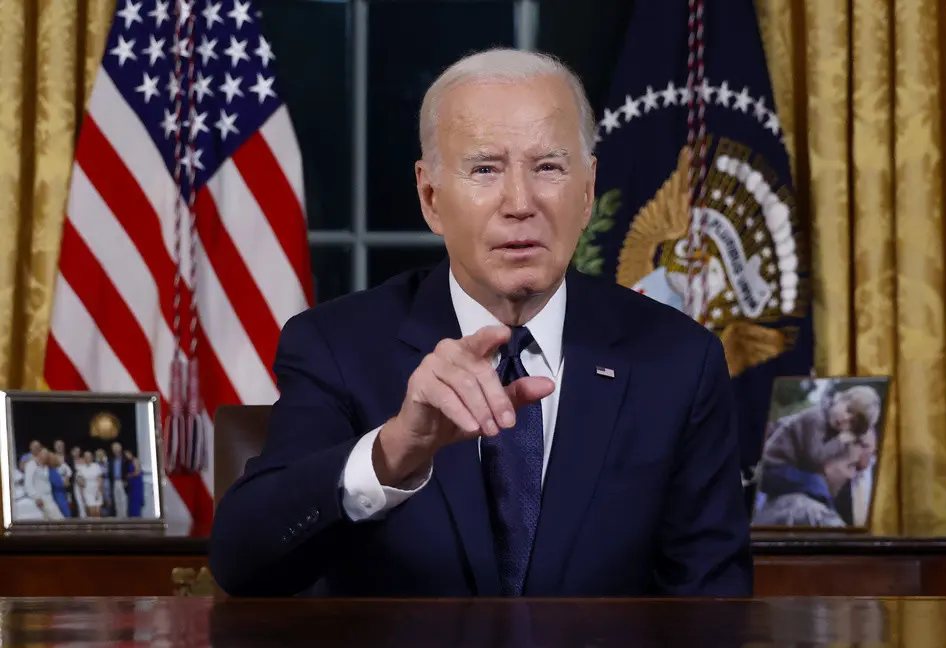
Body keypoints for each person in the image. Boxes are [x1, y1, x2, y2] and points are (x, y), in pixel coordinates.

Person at [209, 48, 752, 598]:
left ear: (587, 192)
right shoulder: (337, 346)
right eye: (485, 168)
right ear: (430, 198)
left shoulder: (679, 360)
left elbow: (712, 602)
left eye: (548, 168)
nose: (521, 202)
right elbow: (245, 562)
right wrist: (393, 451)